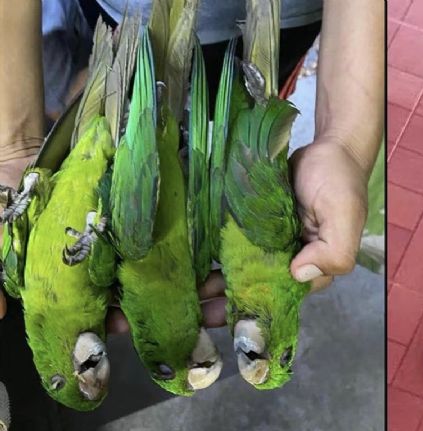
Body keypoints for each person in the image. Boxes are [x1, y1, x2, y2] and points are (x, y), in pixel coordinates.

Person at [0, 1, 382, 428]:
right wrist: (343, 143)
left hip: (138, 91)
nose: (88, 379)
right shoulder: (217, 251)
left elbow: (42, 175)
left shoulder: (22, 277)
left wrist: (15, 156)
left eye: (61, 378)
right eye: (283, 354)